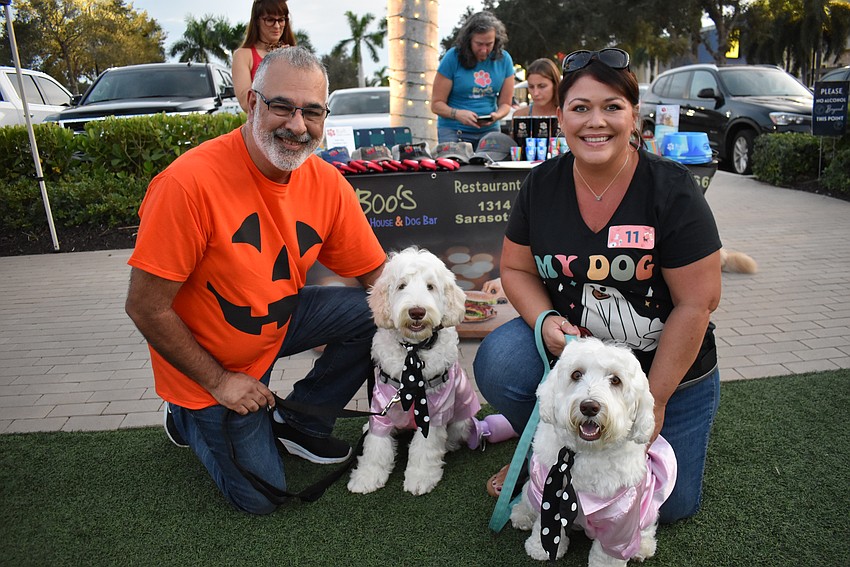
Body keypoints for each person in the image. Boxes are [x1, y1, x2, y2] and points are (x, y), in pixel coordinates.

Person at [125, 46, 386, 515]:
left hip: (277, 321)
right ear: (252, 104)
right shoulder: (187, 185)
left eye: (311, 111)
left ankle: (300, 420)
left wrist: (433, 305)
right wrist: (221, 380)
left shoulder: (326, 183)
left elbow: (379, 278)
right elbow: (145, 307)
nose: (296, 125)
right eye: (281, 106)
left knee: (375, 313)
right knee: (263, 497)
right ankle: (185, 417)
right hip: (211, 360)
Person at [473, 48, 722, 524]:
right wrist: (544, 320)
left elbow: (698, 302)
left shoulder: (672, 189)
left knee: (669, 507)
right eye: (580, 107)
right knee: (501, 360)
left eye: (612, 106)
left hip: (663, 370)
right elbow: (517, 270)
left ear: (635, 115)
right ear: (560, 115)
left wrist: (656, 399)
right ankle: (546, 451)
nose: (596, 122)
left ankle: (591, 444)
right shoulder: (540, 185)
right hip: (578, 360)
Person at [430, 11, 515, 149]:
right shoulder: (452, 57)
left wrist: (496, 116)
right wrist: (457, 114)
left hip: (489, 131)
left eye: (489, 44)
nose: (483, 50)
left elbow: (505, 104)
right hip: (454, 131)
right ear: (469, 40)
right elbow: (436, 104)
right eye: (479, 44)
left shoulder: (504, 60)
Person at [232, 0, 297, 112]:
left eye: (281, 20)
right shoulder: (243, 55)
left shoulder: (293, 53)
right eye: (270, 20)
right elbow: (246, 103)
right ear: (257, 21)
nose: (277, 26)